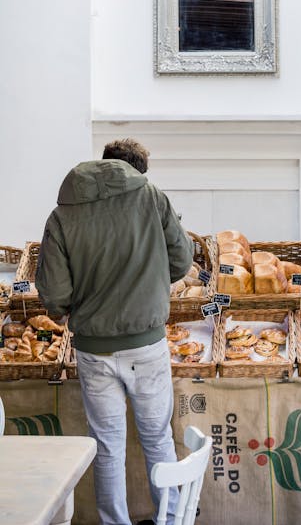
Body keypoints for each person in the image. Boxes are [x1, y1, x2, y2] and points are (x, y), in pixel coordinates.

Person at [36, 138, 194, 525]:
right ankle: (171, 520)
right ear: (134, 171)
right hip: (147, 343)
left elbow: (54, 292)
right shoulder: (152, 197)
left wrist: (70, 308)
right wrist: (151, 278)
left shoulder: (62, 214)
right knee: (158, 438)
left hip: (93, 349)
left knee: (108, 447)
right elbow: (182, 260)